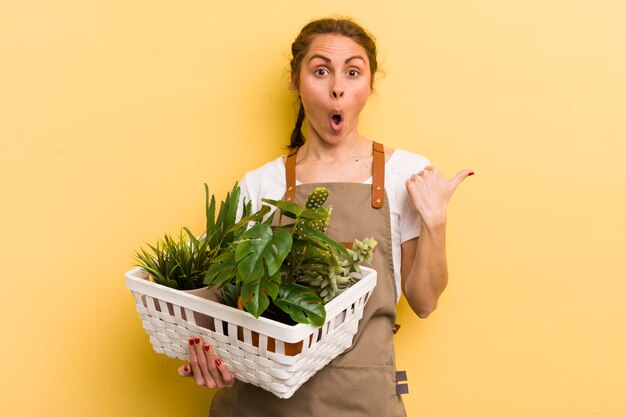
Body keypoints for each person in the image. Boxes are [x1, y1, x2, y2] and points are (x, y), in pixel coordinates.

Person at [177, 17, 473, 416]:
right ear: (295, 82)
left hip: (363, 400)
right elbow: (226, 305)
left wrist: (435, 221)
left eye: (353, 72)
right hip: (261, 403)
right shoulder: (259, 185)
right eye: (321, 71)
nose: (337, 86)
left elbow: (424, 301)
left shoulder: (405, 174)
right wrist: (210, 353)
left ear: (368, 86)